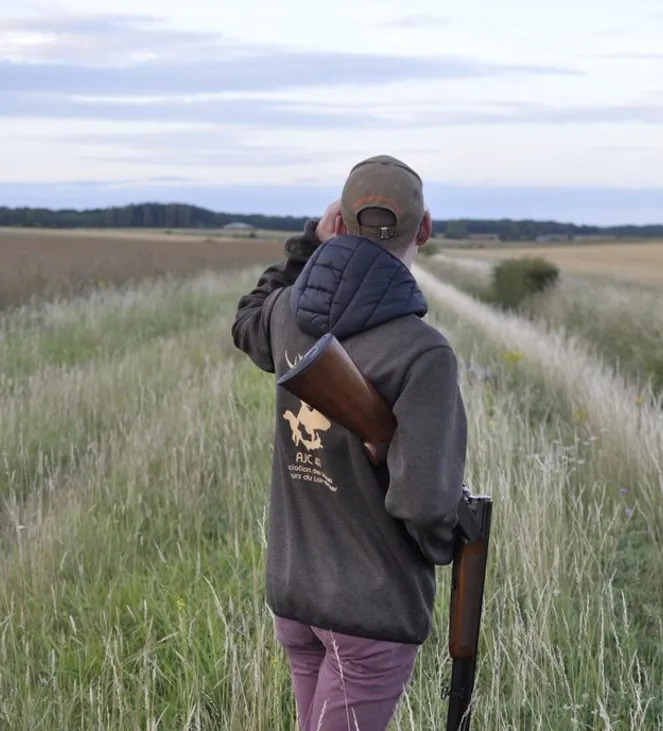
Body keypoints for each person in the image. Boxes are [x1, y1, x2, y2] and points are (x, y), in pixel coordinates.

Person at [230, 154, 469, 730]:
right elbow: (424, 504)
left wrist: (307, 243)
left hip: (295, 593)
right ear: (426, 230)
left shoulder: (287, 315)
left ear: (337, 224)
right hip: (369, 608)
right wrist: (450, 532)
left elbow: (247, 319)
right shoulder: (422, 352)